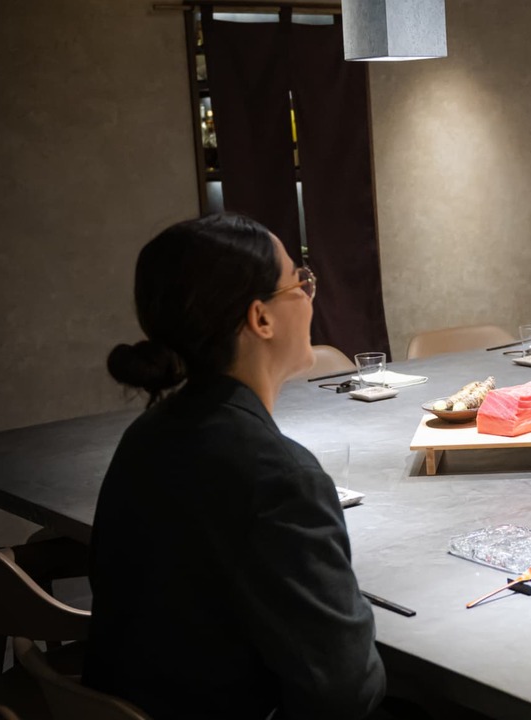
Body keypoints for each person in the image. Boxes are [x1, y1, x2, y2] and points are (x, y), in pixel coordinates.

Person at [84, 214, 385, 719]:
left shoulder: (149, 431)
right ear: (260, 319)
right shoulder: (280, 476)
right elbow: (347, 690)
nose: (309, 296)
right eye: (299, 282)